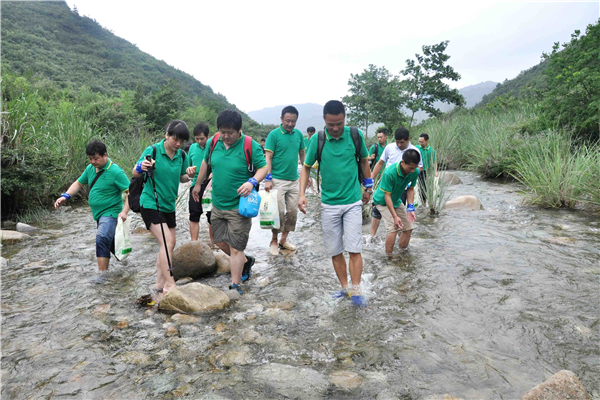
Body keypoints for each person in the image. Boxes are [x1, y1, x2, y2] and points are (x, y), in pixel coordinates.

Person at [299, 100, 373, 306]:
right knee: (335, 250)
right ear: (324, 120)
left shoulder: (355, 136)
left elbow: (364, 162)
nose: (335, 128)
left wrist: (368, 189)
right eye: (331, 124)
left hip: (352, 202)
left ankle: (356, 290)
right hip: (328, 204)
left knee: (354, 248)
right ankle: (344, 287)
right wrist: (301, 194)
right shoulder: (318, 140)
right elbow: (305, 168)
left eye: (339, 123)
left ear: (344, 119)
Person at [192, 110, 267, 295]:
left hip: (239, 206)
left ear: (239, 130)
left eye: (230, 133)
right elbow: (205, 163)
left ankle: (235, 285)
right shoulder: (213, 142)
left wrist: (252, 182)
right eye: (222, 131)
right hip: (218, 203)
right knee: (218, 240)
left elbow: (263, 167)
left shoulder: (250, 145)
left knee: (236, 247)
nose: (225, 136)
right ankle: (246, 261)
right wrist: (198, 185)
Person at [132, 120, 191, 296]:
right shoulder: (153, 150)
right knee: (168, 242)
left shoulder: (181, 155)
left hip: (168, 205)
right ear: (167, 135)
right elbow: (135, 172)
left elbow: (182, 178)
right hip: (151, 202)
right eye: (175, 138)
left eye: (181, 140)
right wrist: (141, 167)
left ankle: (159, 284)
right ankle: (171, 284)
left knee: (167, 246)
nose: (178, 143)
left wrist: (189, 175)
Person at [54, 140, 130, 272]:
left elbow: (131, 193)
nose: (93, 162)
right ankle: (127, 269)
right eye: (90, 159)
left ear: (105, 155)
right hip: (98, 215)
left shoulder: (116, 172)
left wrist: (124, 211)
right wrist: (65, 196)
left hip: (111, 213)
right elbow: (78, 183)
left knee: (101, 238)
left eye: (96, 158)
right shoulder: (90, 169)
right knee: (112, 245)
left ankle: (103, 275)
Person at [264, 106, 306, 255]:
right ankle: (274, 240)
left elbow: (302, 155)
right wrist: (268, 178)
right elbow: (268, 157)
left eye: (293, 121)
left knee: (293, 211)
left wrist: (306, 177)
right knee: (279, 212)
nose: (290, 124)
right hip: (277, 180)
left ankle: (283, 239)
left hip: (294, 180)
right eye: (287, 120)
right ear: (281, 119)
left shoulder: (299, 135)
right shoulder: (274, 135)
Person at [370, 127, 423, 236]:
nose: (398, 145)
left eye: (401, 142)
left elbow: (419, 168)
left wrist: (409, 179)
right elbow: (380, 163)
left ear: (408, 139)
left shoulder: (414, 151)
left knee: (398, 213)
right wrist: (371, 180)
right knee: (376, 212)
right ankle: (372, 236)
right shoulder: (390, 147)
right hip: (387, 182)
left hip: (402, 187)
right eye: (397, 142)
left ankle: (398, 236)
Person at [372, 149, 420, 257]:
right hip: (382, 201)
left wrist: (410, 208)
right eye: (410, 168)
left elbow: (410, 189)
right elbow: (387, 196)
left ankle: (402, 252)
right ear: (403, 163)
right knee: (393, 229)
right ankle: (389, 257)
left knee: (408, 227)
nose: (413, 171)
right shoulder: (390, 172)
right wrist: (395, 216)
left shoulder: (414, 172)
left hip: (395, 200)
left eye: (415, 168)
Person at [186, 123, 214, 243]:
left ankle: (214, 243)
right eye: (196, 139)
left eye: (201, 138)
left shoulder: (214, 146)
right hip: (195, 185)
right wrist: (189, 172)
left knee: (212, 216)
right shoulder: (192, 148)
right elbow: (189, 170)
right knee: (194, 214)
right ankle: (194, 243)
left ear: (208, 136)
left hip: (211, 185)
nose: (199, 141)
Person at [415, 133, 438, 209]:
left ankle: (425, 204)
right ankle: (421, 203)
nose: (420, 143)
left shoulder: (431, 151)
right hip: (416, 170)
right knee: (418, 187)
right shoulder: (416, 148)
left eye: (422, 142)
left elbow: (434, 162)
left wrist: (435, 171)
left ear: (427, 141)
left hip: (426, 171)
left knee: (424, 188)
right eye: (419, 142)